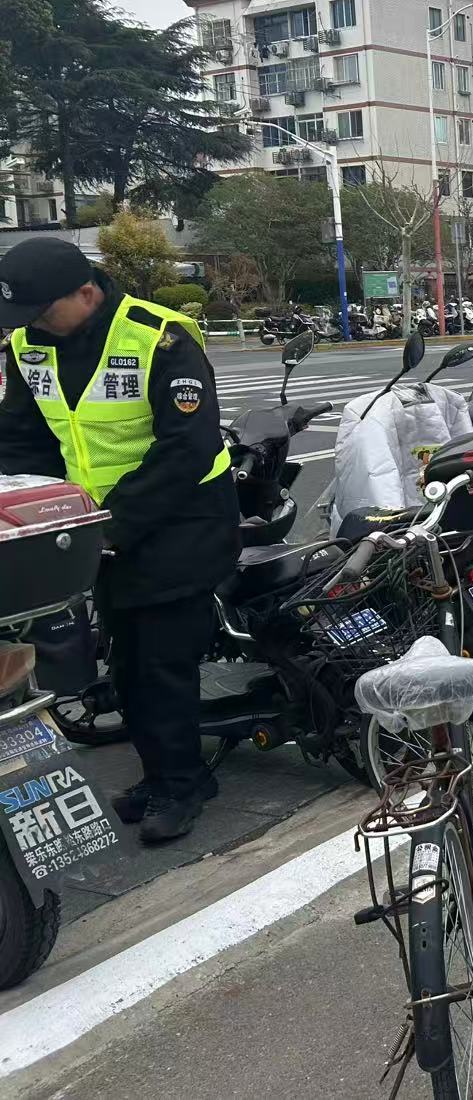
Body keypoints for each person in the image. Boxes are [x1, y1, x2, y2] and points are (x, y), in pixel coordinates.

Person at [0, 238, 238, 842]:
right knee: (127, 660)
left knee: (160, 660)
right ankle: (165, 773)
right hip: (97, 530)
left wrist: (110, 526)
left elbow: (188, 448)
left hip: (180, 520)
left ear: (86, 293)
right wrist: (32, 511)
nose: (29, 324)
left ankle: (180, 785)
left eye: (40, 310)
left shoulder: (159, 339)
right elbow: (24, 441)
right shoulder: (29, 345)